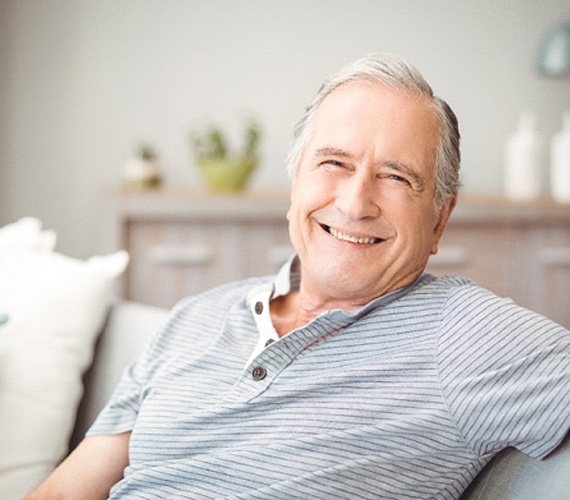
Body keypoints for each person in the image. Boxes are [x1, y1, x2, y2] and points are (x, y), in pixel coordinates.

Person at [27, 53, 570, 499]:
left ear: (439, 220)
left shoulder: (464, 334)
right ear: (295, 184)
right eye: (334, 163)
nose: (356, 202)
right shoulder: (196, 317)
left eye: (397, 177)